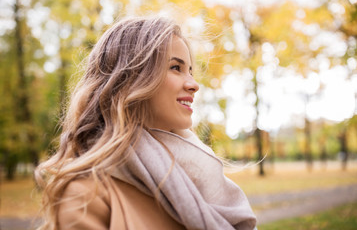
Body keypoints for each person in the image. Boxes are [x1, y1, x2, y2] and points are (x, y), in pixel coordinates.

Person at [35, 16, 257, 230]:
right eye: (175, 68)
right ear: (130, 79)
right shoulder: (86, 196)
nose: (193, 84)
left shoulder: (198, 172)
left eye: (190, 70)